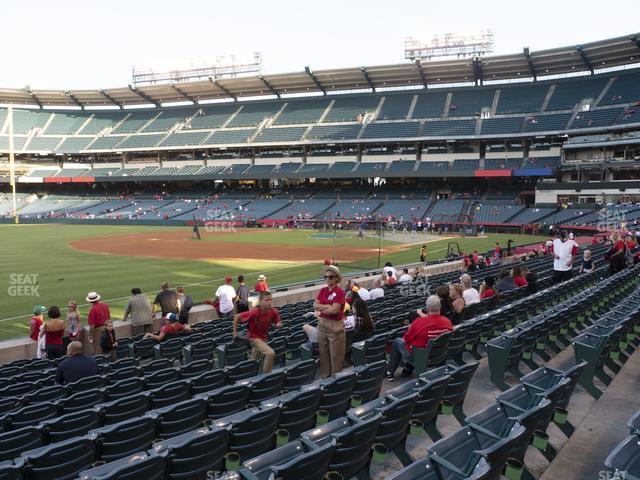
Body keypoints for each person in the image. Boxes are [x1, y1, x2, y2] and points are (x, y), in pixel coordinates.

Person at [385, 296, 453, 380]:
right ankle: (408, 369)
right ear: (440, 307)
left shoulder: (419, 321)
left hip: (420, 357)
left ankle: (389, 372)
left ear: (427, 308)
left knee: (397, 341)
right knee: (417, 344)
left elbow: (406, 338)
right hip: (439, 355)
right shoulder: (447, 322)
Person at [233, 290, 282, 373]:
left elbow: (278, 322)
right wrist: (234, 333)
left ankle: (248, 374)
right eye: (267, 300)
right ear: (260, 301)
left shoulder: (274, 311)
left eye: (270, 300)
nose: (269, 302)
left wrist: (278, 325)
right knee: (270, 353)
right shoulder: (254, 312)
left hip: (263, 338)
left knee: (254, 360)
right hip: (253, 338)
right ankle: (266, 376)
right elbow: (237, 316)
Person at [314, 265, 346, 378]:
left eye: (330, 277)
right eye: (326, 277)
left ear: (336, 278)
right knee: (323, 354)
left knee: (335, 355)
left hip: (334, 326)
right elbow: (315, 305)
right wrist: (328, 306)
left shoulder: (340, 292)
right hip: (322, 324)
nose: (328, 279)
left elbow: (334, 310)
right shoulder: (323, 290)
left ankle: (335, 379)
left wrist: (323, 307)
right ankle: (325, 378)